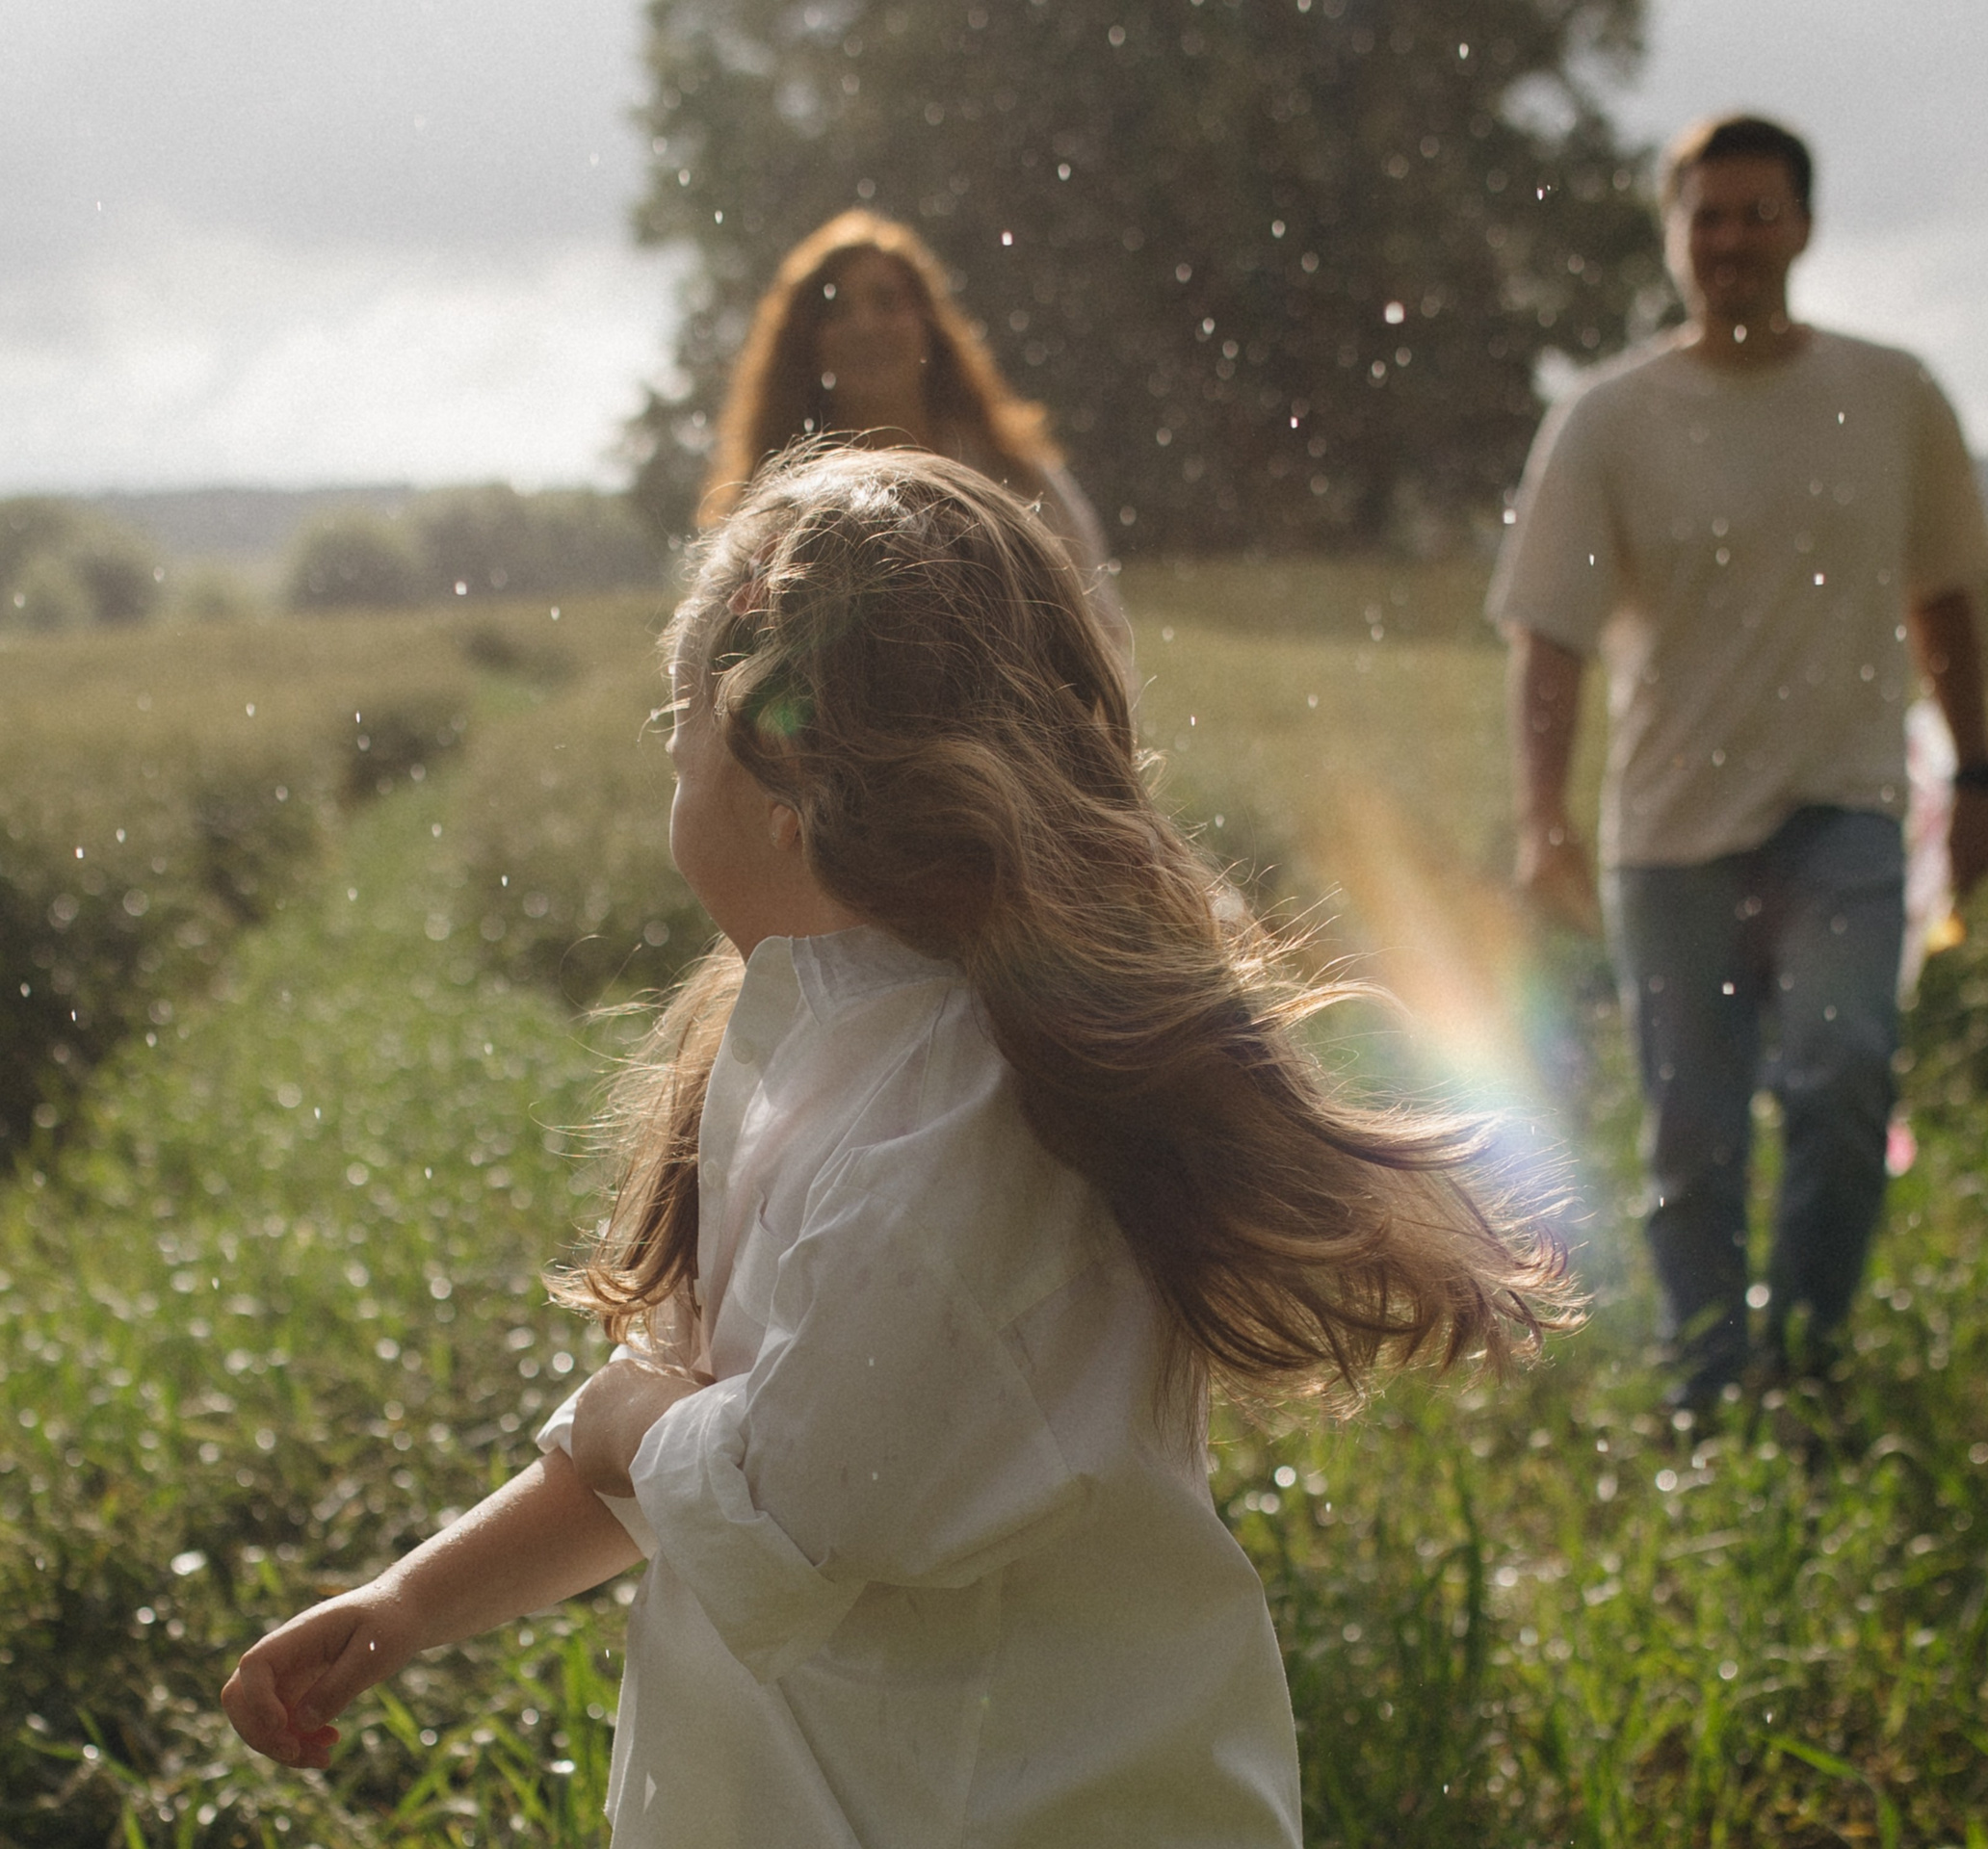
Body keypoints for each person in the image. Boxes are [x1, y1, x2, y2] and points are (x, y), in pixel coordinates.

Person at [222, 447, 1573, 1844]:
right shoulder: (807, 1039)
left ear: (784, 774)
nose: (668, 761)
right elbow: (672, 1437)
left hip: (999, 1800)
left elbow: (785, 1505)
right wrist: (410, 1605)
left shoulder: (960, 1108)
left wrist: (641, 1421)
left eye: (682, 722)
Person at [1488, 114, 1988, 1411]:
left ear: (1805, 227)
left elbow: (1942, 595)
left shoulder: (1893, 396)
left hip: (1845, 807)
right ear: (1675, 235)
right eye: (1706, 217)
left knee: (1842, 1082)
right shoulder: (1609, 419)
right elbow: (1547, 635)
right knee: (1695, 1139)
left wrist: (1986, 777)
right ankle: (1708, 1390)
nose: (1731, 242)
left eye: (1756, 214)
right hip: (1669, 831)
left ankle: (1810, 1363)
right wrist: (1541, 819)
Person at [698, 207, 1134, 678]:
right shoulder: (771, 509)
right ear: (806, 343)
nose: (864, 325)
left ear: (928, 324)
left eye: (887, 302)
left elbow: (1102, 642)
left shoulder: (1014, 476)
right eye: (836, 310)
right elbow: (721, 674)